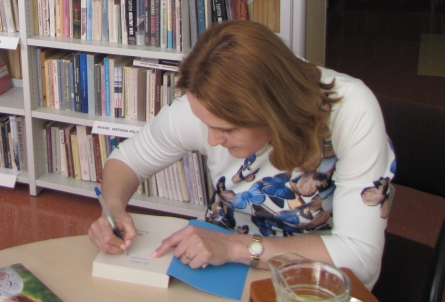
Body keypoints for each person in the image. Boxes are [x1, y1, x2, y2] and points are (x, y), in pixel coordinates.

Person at [88, 20, 395, 289]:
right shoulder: (203, 103)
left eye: (228, 129)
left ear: (273, 111)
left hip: (313, 277)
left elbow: (360, 259)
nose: (212, 139)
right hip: (220, 263)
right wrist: (112, 209)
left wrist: (236, 247)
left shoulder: (351, 111)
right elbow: (127, 160)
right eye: (206, 125)